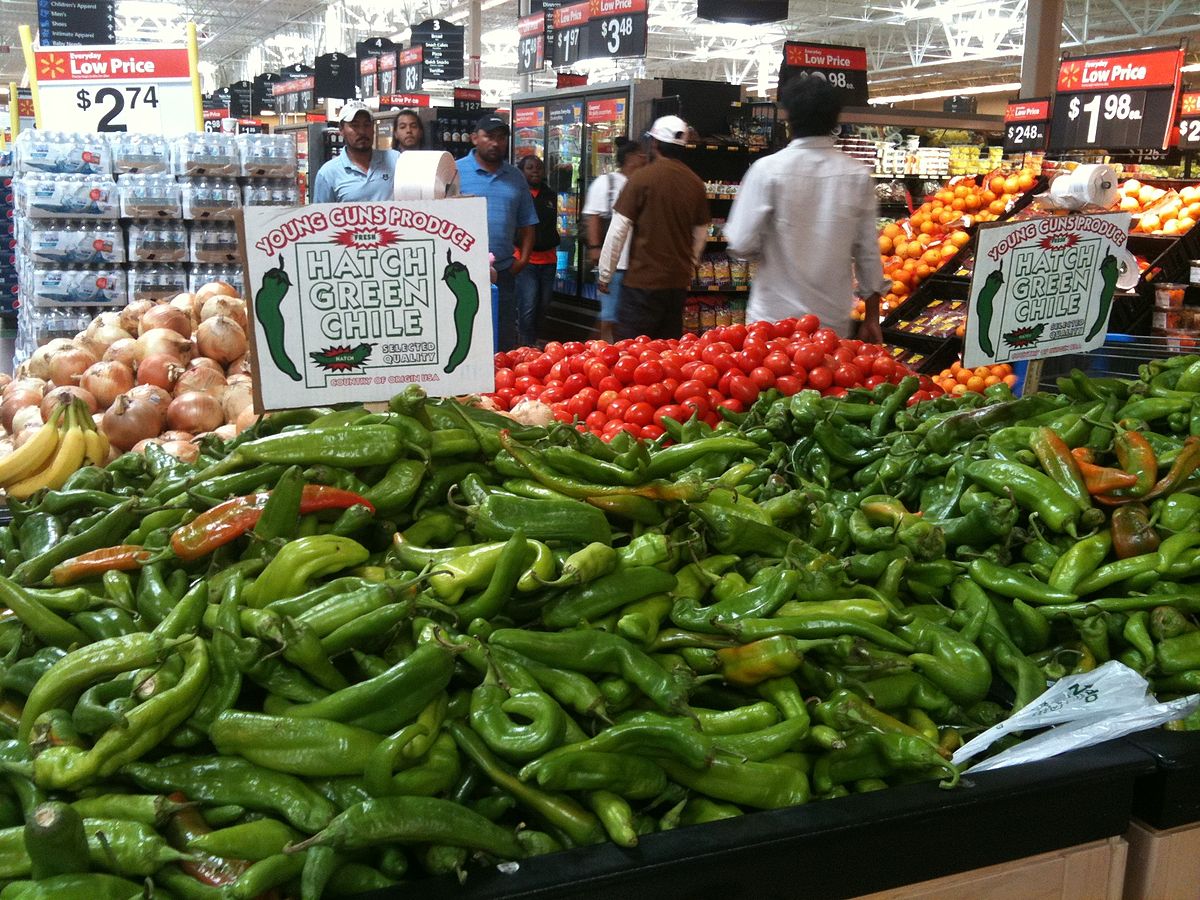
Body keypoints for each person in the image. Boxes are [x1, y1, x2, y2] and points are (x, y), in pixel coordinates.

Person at [724, 76, 887, 343]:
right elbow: (868, 253)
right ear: (836, 120)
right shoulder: (857, 175)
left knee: (769, 385)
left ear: (787, 118)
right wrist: (871, 318)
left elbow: (741, 244)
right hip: (831, 324)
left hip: (772, 322)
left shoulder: (766, 170)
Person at [597, 116, 709, 341]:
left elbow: (618, 229)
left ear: (654, 144)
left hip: (642, 284)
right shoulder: (695, 183)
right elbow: (700, 234)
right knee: (667, 352)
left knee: (631, 352)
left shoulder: (642, 178)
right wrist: (689, 266)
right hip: (676, 285)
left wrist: (605, 274)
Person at [455, 114, 538, 351]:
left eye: (501, 138)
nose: (495, 143)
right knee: (464, 334)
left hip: (503, 272)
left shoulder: (515, 177)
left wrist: (522, 260)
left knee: (503, 338)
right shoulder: (454, 171)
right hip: (461, 274)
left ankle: (502, 386)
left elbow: (528, 222)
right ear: (474, 138)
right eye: (489, 136)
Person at [582, 137, 647, 343]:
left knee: (628, 315)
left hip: (638, 265)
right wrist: (595, 249)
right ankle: (604, 350)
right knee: (609, 315)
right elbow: (592, 216)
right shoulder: (606, 183)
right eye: (640, 154)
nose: (644, 158)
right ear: (629, 158)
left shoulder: (643, 183)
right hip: (615, 263)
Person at [312, 101, 399, 203]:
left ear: (373, 128)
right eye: (355, 125)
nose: (362, 131)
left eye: (367, 125)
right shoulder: (328, 174)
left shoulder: (395, 160)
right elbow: (321, 216)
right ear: (341, 130)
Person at [514, 156, 560, 347]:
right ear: (521, 171)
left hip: (548, 260)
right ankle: (526, 345)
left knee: (543, 305)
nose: (535, 171)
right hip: (526, 260)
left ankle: (535, 341)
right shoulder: (517, 194)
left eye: (539, 168)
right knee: (528, 306)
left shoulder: (550, 195)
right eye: (530, 168)